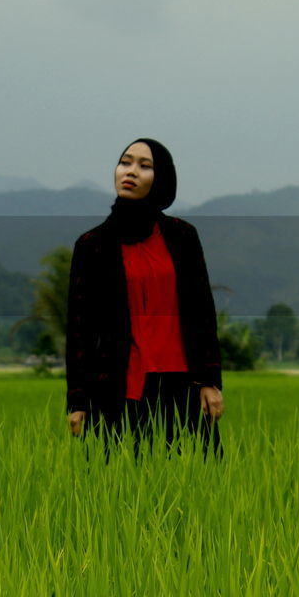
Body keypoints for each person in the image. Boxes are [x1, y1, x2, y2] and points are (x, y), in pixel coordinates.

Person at [65, 138, 224, 457]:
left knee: (198, 488)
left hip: (183, 386)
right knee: (116, 491)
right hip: (119, 386)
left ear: (161, 177)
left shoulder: (182, 236)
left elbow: (202, 311)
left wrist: (210, 380)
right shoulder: (91, 245)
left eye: (144, 165)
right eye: (125, 162)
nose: (131, 171)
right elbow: (80, 328)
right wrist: (78, 400)